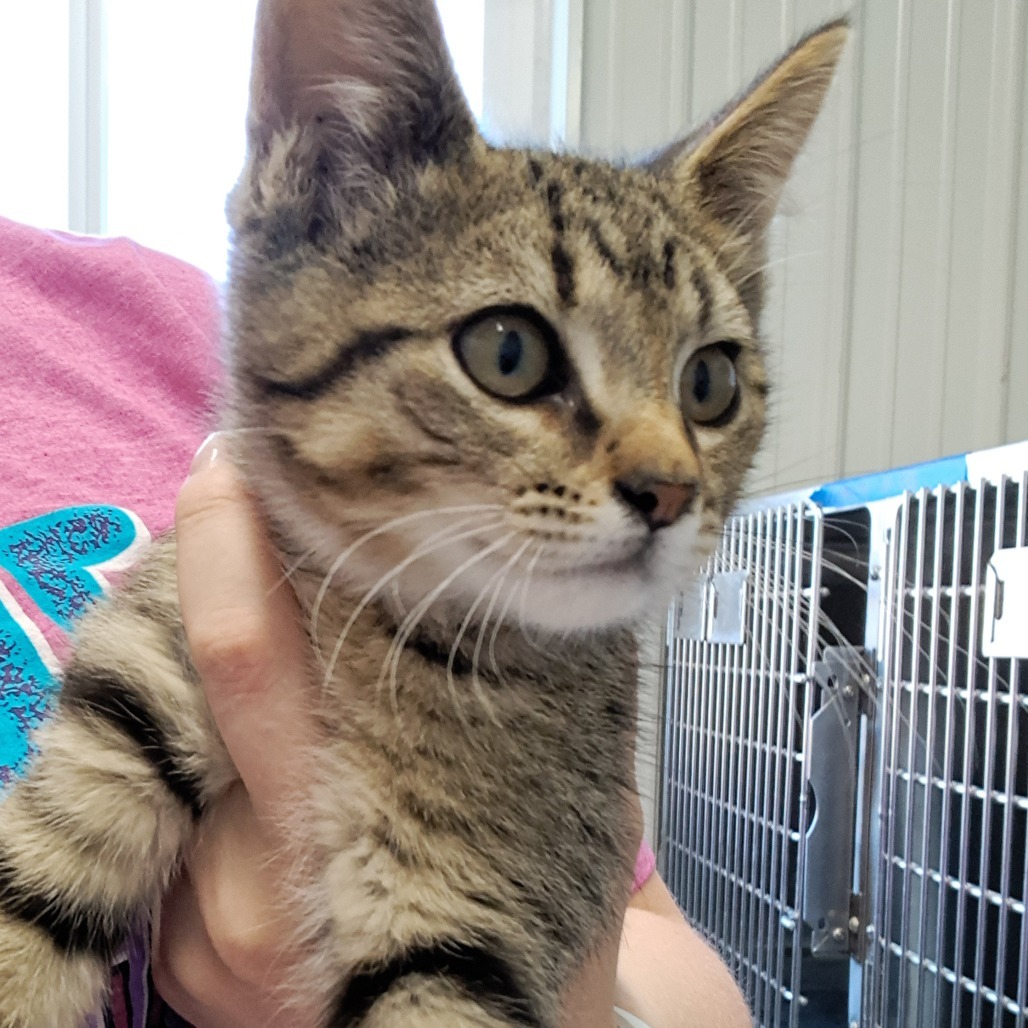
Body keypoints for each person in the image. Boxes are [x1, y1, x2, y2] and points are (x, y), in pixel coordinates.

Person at [0, 215, 751, 1027]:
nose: (667, 475)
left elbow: (663, 952)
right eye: (514, 357)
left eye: (705, 386)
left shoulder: (150, 308)